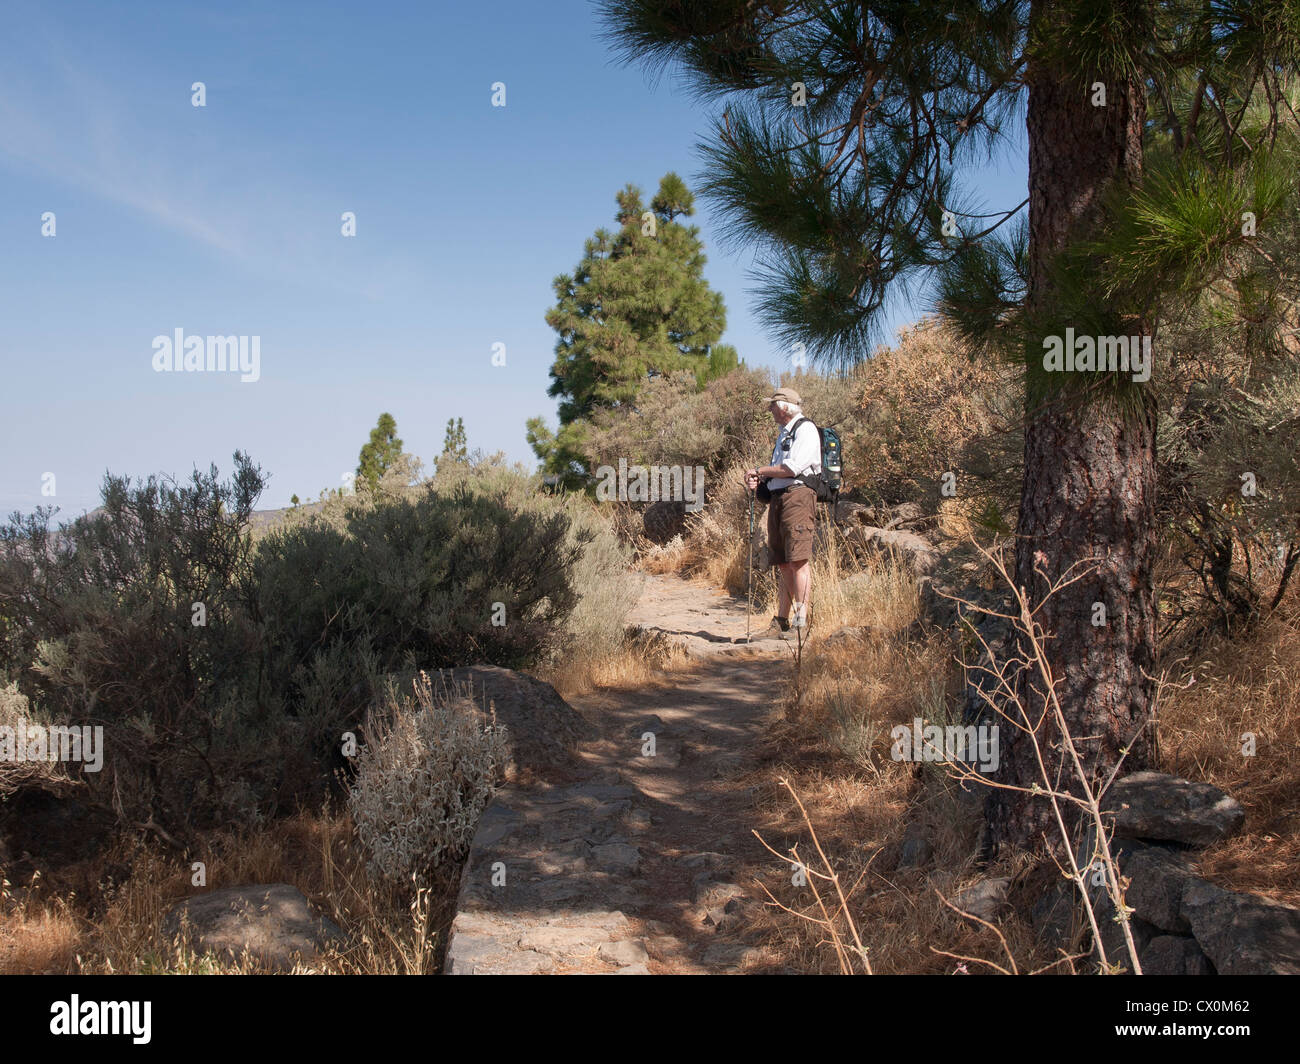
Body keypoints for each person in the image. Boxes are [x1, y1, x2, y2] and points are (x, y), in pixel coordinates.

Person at [744, 387, 819, 640]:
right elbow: (779, 472)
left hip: (798, 498)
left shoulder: (805, 429)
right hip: (780, 499)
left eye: (773, 405)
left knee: (798, 560)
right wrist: (761, 481)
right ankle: (782, 621)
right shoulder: (783, 434)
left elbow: (791, 467)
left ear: (785, 407)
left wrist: (759, 470)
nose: (770, 410)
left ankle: (801, 621)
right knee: (784, 562)